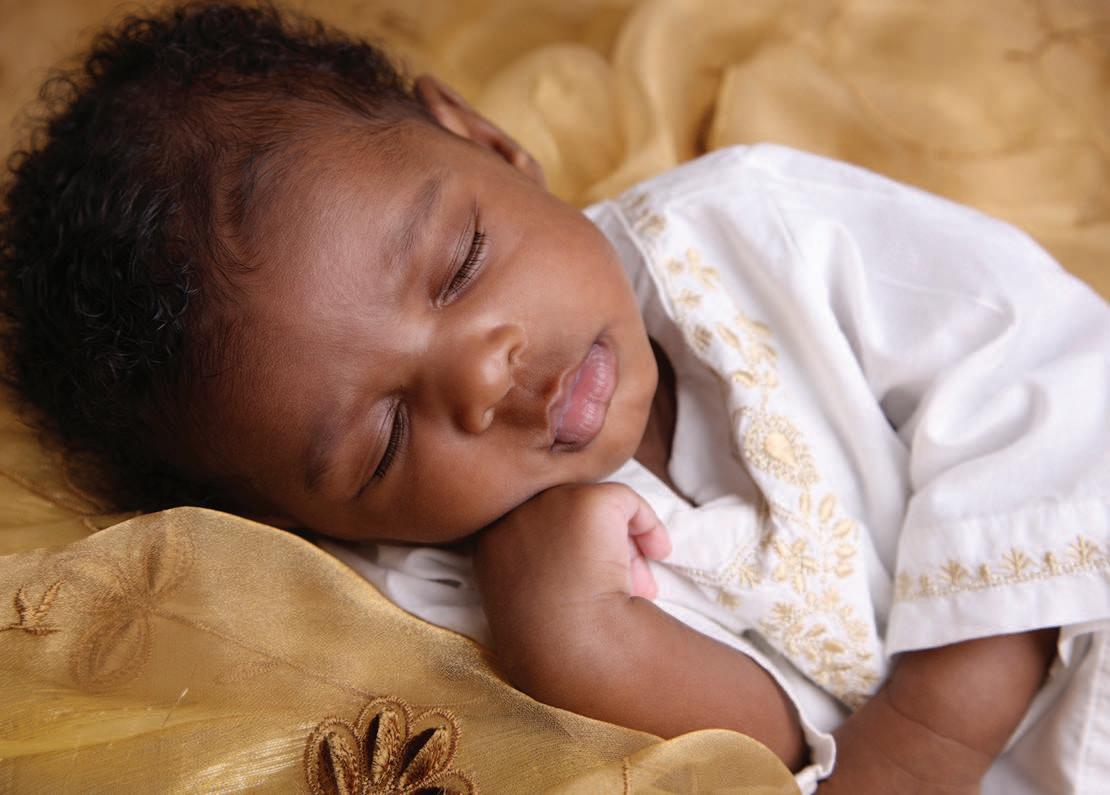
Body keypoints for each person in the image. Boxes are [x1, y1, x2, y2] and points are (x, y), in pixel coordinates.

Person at [1, 4, 1106, 792]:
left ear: (488, 142)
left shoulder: (753, 233)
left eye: (462, 263)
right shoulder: (429, 615)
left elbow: (1050, 375)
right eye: (385, 438)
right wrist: (585, 645)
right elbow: (756, 761)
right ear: (296, 523)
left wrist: (930, 732)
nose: (483, 374)